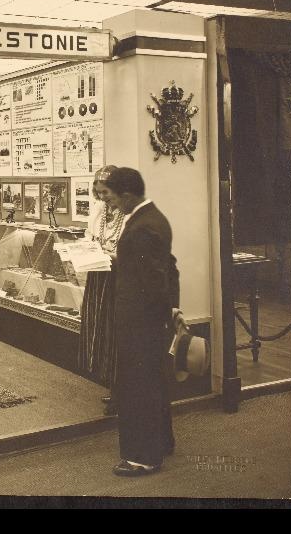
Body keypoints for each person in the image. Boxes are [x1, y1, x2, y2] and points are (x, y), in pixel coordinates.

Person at [104, 167, 179, 476]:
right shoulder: (151, 218)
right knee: (153, 382)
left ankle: (142, 457)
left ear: (127, 195)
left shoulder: (142, 227)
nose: (109, 203)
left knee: (137, 387)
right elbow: (164, 271)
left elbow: (154, 281)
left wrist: (157, 317)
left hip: (140, 322)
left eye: (110, 197)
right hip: (148, 320)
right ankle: (161, 442)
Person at [78, 165, 123, 416]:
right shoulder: (98, 212)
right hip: (98, 277)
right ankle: (111, 385)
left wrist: (111, 255)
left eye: (107, 192)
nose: (103, 197)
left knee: (113, 335)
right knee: (99, 331)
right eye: (99, 193)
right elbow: (89, 237)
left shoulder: (127, 215)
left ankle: (120, 391)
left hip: (117, 279)